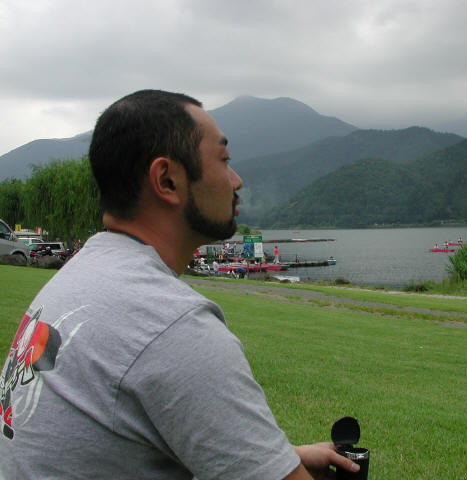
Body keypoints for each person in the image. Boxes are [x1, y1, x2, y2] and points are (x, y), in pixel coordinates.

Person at [0, 90, 359, 479]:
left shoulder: (78, 278)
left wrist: (275, 457)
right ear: (167, 180)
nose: (237, 180)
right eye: (224, 160)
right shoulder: (170, 326)